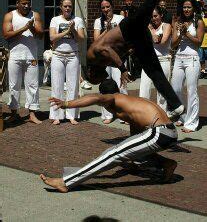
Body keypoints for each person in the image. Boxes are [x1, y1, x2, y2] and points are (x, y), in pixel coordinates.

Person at [86, 0, 184, 118]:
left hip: (128, 28)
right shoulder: (103, 65)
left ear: (92, 73)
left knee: (149, 4)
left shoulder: (92, 57)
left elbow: (109, 50)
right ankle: (175, 104)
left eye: (97, 79)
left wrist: (123, 69)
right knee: (154, 71)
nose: (101, 80)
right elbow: (119, 49)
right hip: (136, 40)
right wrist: (131, 51)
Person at [40, 79, 178, 192]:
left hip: (159, 132)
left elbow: (95, 97)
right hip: (170, 133)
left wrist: (66, 103)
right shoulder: (130, 101)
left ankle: (65, 182)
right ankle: (167, 164)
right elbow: (135, 135)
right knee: (130, 149)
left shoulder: (113, 98)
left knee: (112, 153)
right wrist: (131, 158)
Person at [2, 0, 43, 124]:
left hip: (31, 56)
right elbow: (7, 35)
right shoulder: (10, 16)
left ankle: (32, 114)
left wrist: (32, 29)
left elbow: (41, 35)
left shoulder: (35, 15)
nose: (26, 6)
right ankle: (14, 113)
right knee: (14, 85)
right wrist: (25, 28)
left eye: (28, 3)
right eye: (23, 3)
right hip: (15, 56)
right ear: (17, 4)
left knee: (33, 85)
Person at [49, 0, 85, 125]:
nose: (68, 8)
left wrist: (73, 30)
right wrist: (66, 31)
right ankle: (56, 115)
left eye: (70, 6)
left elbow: (81, 38)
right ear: (61, 7)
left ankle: (72, 115)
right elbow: (52, 37)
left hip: (72, 55)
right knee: (56, 85)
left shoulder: (78, 20)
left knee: (73, 86)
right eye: (65, 6)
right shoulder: (55, 20)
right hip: (58, 55)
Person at [171, 0, 205, 132]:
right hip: (178, 58)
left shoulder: (199, 22)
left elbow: (199, 43)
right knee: (176, 89)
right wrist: (180, 34)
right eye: (184, 7)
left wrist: (186, 33)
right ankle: (182, 116)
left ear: (194, 8)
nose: (186, 9)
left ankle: (191, 123)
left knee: (192, 91)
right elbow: (173, 44)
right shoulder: (177, 22)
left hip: (192, 59)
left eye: (189, 7)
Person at [94, 0, 128, 124]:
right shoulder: (98, 21)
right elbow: (96, 40)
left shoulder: (120, 19)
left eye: (107, 7)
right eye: (103, 7)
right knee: (105, 86)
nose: (105, 9)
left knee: (121, 84)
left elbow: (125, 36)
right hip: (104, 58)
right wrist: (106, 31)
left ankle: (124, 113)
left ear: (112, 7)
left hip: (118, 56)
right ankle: (107, 114)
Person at [139, 6, 172, 111]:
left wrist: (152, 31)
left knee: (162, 92)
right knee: (144, 89)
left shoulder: (166, 26)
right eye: (151, 16)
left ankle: (162, 115)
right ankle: (143, 113)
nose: (153, 18)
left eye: (155, 16)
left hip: (163, 60)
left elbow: (162, 42)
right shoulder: (146, 27)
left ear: (161, 15)